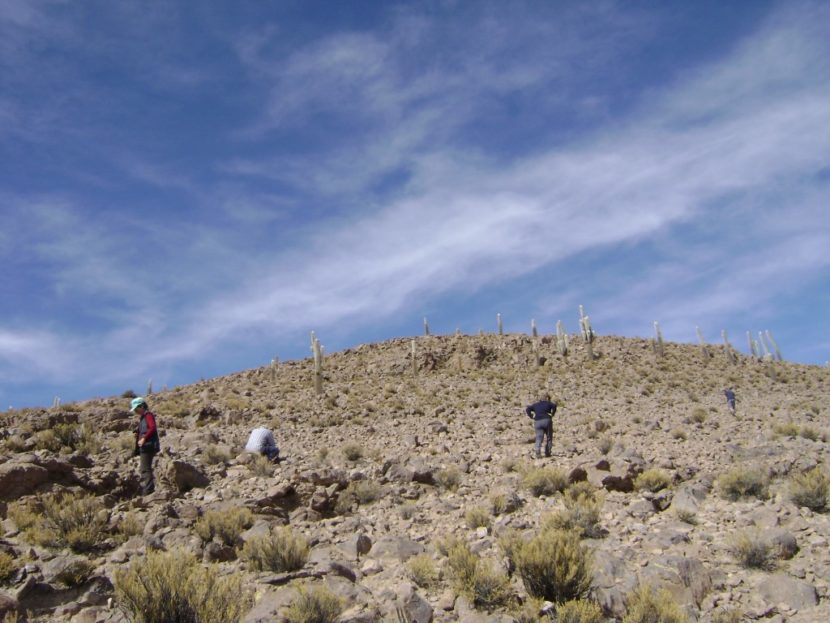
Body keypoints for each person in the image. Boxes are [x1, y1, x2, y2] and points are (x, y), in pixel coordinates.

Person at [131, 397, 161, 495]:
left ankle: (148, 490)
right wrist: (139, 434)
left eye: (136, 408)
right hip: (147, 446)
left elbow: (152, 427)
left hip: (148, 446)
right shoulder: (143, 417)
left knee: (144, 469)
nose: (135, 411)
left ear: (142, 406)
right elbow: (148, 428)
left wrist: (144, 438)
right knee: (145, 468)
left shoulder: (148, 415)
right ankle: (149, 489)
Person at [525, 393, 557, 458]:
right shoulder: (548, 403)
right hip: (546, 420)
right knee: (549, 437)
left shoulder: (536, 405)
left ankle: (537, 450)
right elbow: (554, 406)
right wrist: (552, 414)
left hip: (537, 421)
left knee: (539, 437)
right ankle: (548, 452)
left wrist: (531, 416)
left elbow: (528, 409)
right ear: (547, 398)